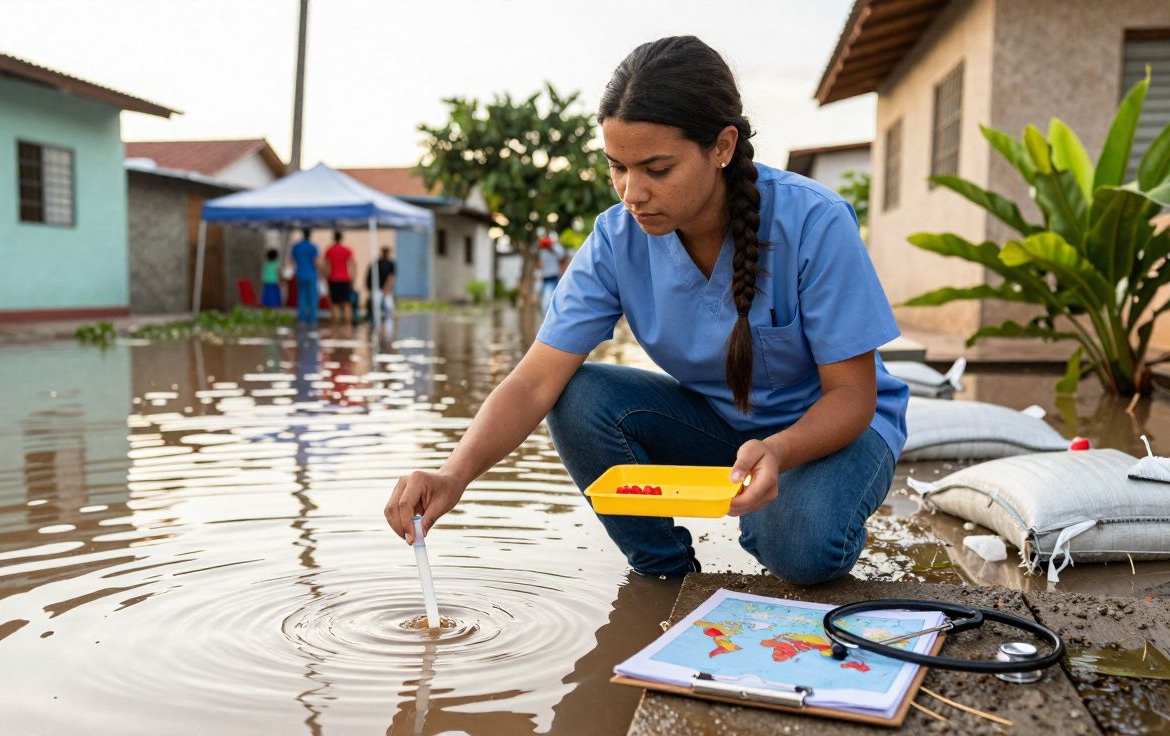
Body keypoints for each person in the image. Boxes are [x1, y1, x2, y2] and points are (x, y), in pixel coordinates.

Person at [384, 36, 909, 586]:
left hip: (835, 431)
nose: (632, 193)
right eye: (618, 168)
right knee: (578, 396)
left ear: (722, 146)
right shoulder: (617, 240)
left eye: (657, 169)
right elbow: (535, 382)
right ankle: (666, 574)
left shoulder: (813, 222)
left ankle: (817, 508)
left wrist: (779, 450)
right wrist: (454, 473)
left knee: (797, 545)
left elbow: (852, 396)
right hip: (723, 430)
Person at [322, 231, 356, 326]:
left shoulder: (329, 250)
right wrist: (352, 279)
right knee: (347, 304)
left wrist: (326, 278)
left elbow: (327, 266)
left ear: (334, 238)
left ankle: (336, 328)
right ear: (341, 238)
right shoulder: (347, 250)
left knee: (335, 304)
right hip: (345, 279)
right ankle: (348, 327)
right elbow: (353, 265)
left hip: (333, 279)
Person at [291, 228, 320, 323]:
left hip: (300, 274)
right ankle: (312, 318)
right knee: (312, 297)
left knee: (301, 297)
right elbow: (316, 261)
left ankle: (301, 318)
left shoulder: (296, 247)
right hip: (311, 274)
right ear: (310, 235)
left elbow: (291, 260)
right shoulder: (313, 247)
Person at [365, 245, 397, 325]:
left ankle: (388, 325)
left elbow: (392, 277)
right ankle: (376, 324)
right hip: (377, 288)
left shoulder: (391, 264)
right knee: (376, 307)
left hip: (386, 289)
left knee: (389, 308)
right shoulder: (376, 263)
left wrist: (387, 288)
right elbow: (370, 276)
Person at [537, 232, 567, 314]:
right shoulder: (542, 250)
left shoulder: (556, 248)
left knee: (555, 302)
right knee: (545, 304)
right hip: (546, 279)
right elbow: (540, 264)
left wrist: (552, 246)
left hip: (555, 278)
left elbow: (562, 255)